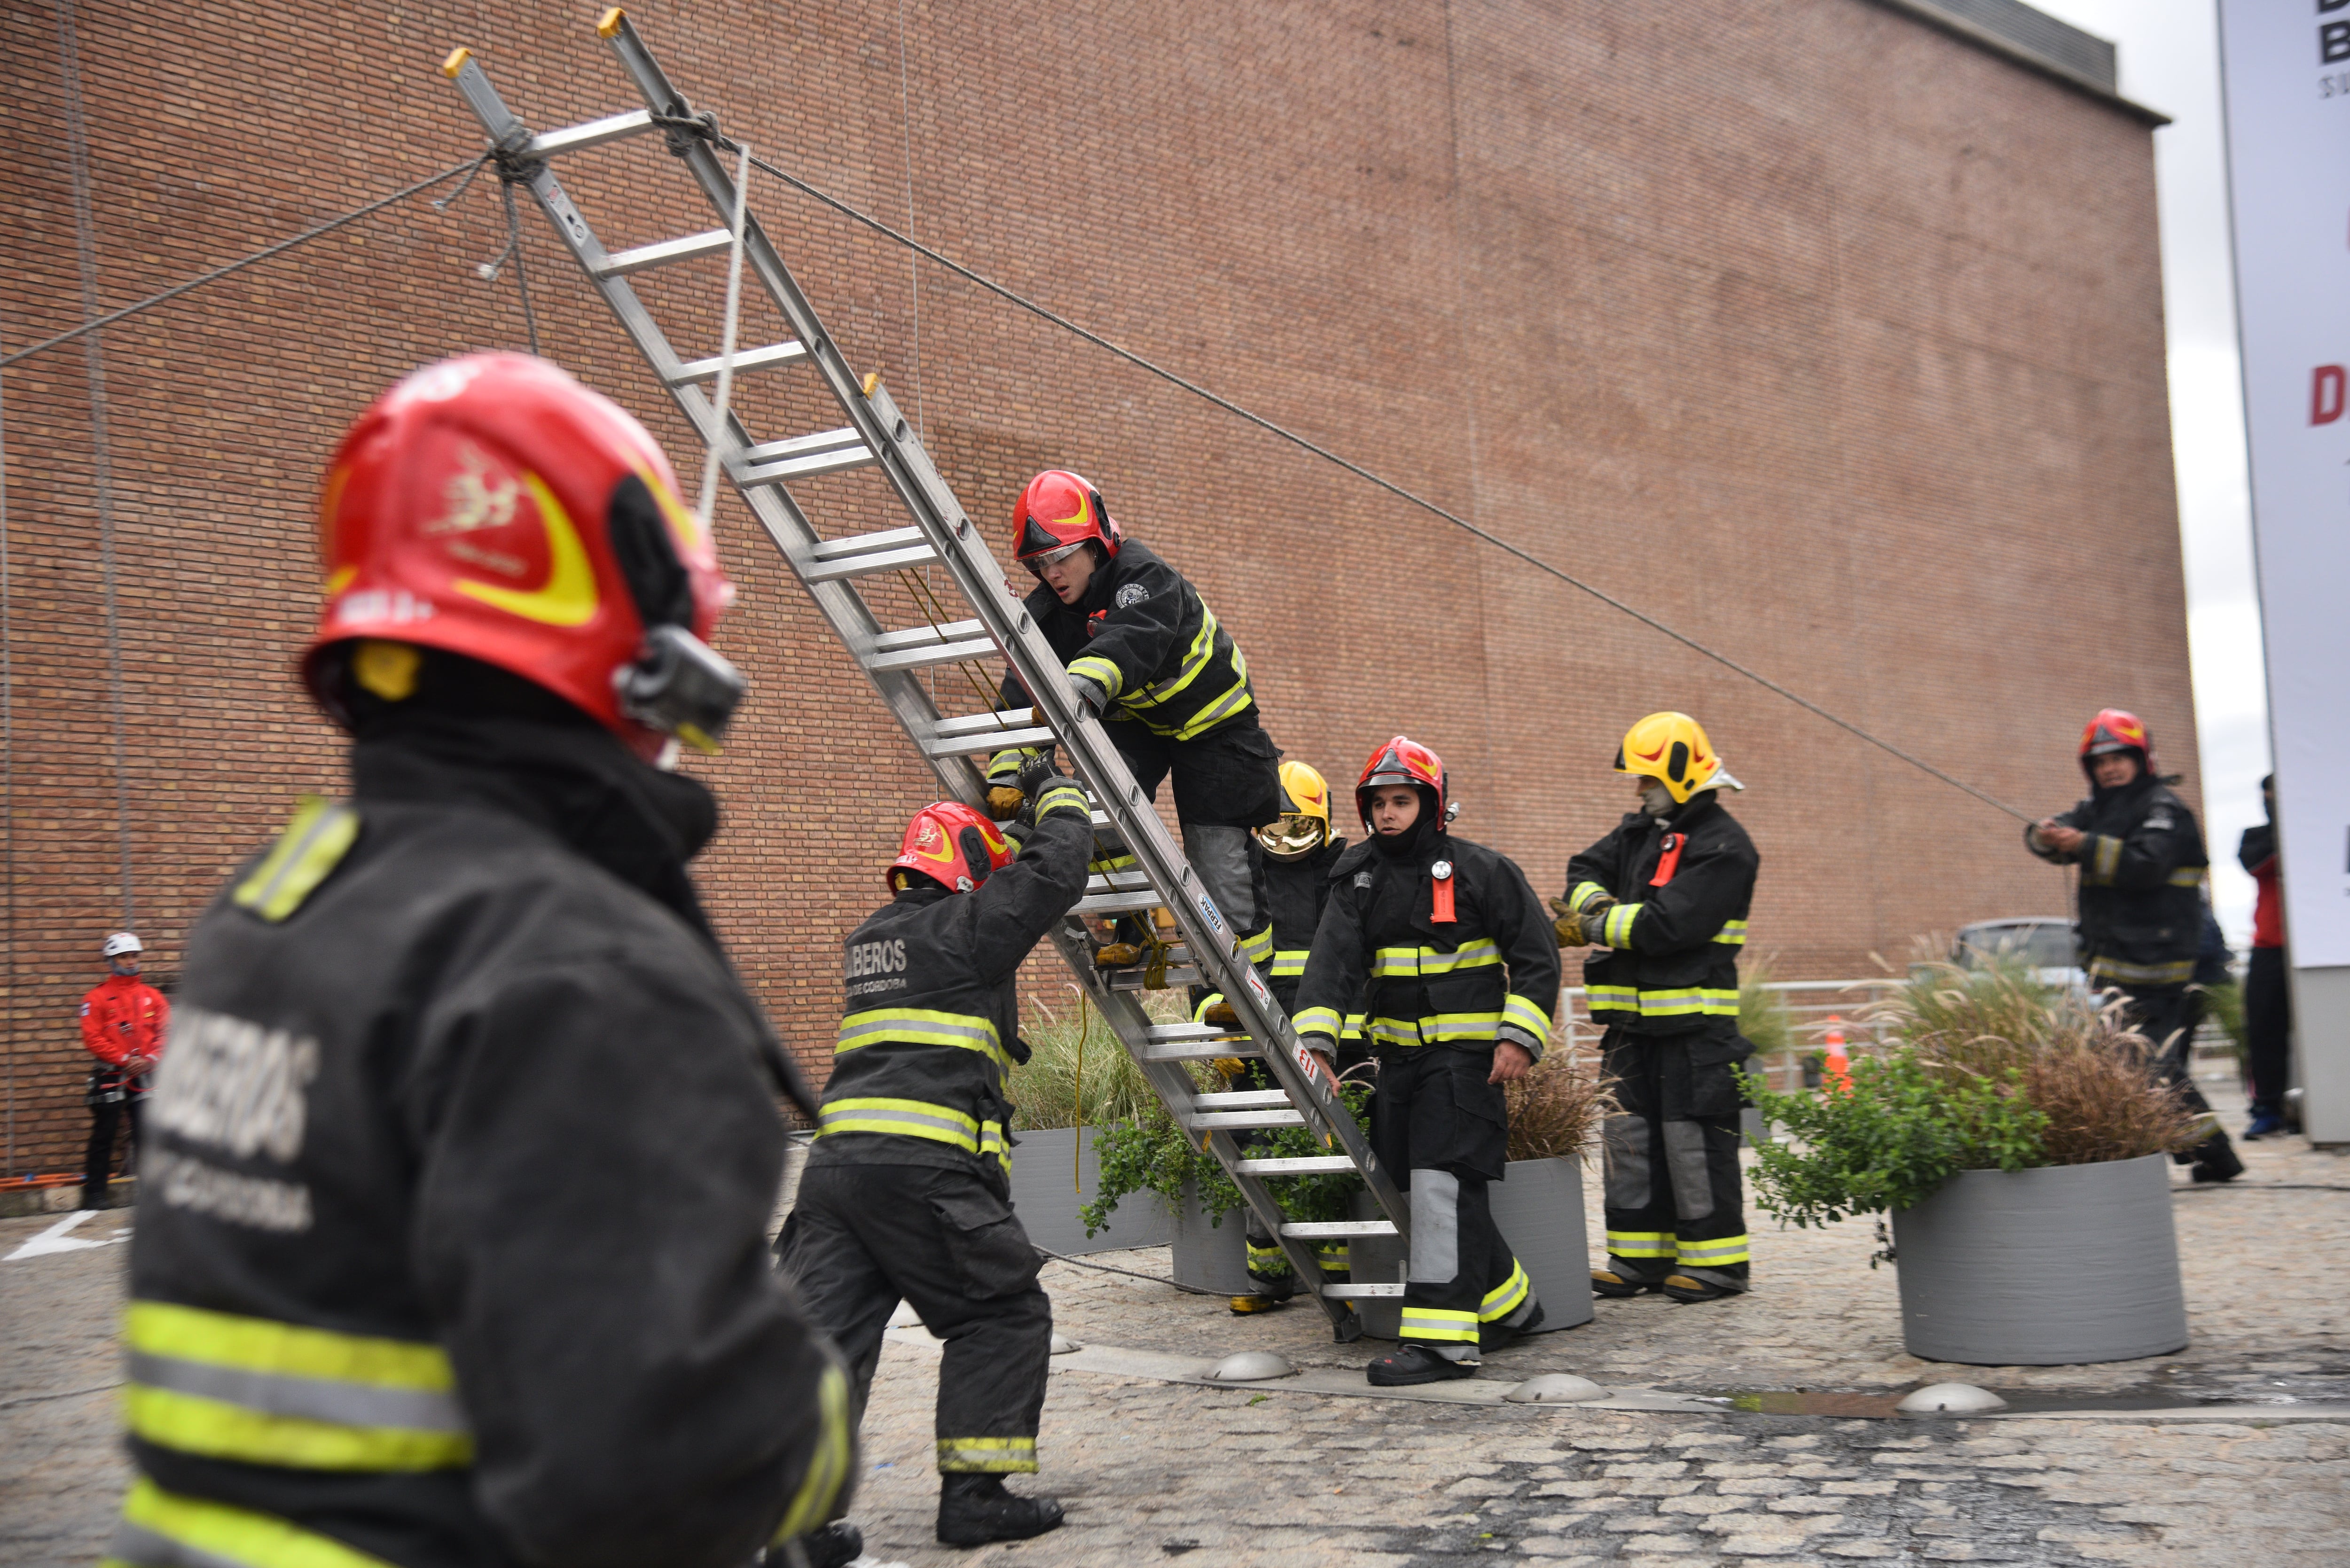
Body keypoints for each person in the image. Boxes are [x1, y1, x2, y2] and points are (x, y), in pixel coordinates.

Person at [109, 354, 856, 1568]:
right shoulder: (581, 974)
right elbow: (671, 1474)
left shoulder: (272, 909)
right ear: (639, 634)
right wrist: (800, 1413)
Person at [776, 760, 1094, 1548]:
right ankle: (976, 1501)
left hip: (833, 1174)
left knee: (824, 1337)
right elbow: (1057, 872)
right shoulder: (966, 929)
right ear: (970, 871)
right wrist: (1056, 795)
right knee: (1001, 1312)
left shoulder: (872, 941)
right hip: (924, 1170)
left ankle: (792, 1522)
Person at [1290, 737, 1556, 1385]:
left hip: (1466, 1067)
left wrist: (1520, 1037)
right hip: (1399, 1066)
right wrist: (1317, 1047)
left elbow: (1537, 956)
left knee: (1442, 1189)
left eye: (1401, 801)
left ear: (1432, 805)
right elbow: (1331, 967)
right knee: (1433, 1190)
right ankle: (1511, 1307)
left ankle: (1442, 1345)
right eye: (1378, 803)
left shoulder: (1484, 871)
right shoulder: (1356, 876)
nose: (1387, 814)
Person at [985, 469, 1282, 979]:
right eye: (1038, 564)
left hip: (1217, 731)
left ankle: (1249, 977)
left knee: (1216, 854)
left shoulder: (1144, 577)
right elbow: (1020, 687)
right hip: (1143, 722)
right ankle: (1132, 930)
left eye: (1060, 556)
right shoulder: (1051, 610)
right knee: (1097, 807)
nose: (1050, 574)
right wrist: (1006, 773)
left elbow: (1131, 639)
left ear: (1097, 543)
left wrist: (1074, 691)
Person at [1559, 712, 1761, 1304]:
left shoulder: (1726, 847)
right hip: (1629, 1030)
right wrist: (1593, 899)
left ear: (1680, 774)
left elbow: (1669, 925)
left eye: (1646, 778)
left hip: (1696, 1034)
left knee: (1691, 1143)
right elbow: (1583, 868)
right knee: (1628, 1140)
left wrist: (1592, 922)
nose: (1638, 789)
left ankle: (1717, 1265)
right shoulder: (1640, 832)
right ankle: (1637, 1259)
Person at [2027, 708, 2243, 1182]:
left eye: (2118, 758)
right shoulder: (2097, 809)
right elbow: (2050, 835)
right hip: (2115, 961)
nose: (2109, 768)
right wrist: (2044, 836)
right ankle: (2209, 1154)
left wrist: (2081, 844)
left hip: (2158, 963)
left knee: (2140, 1060)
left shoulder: (2163, 810)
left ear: (2139, 758)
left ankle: (2212, 1153)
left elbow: (2145, 866)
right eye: (2100, 761)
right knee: (2146, 1060)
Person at [1195, 760, 1357, 1312]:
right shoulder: (1240, 876)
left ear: (1324, 821)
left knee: (1330, 1156)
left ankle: (1339, 1283)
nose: (1287, 838)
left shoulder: (1347, 873)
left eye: (1299, 825)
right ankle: (1268, 1280)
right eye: (1276, 826)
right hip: (1258, 1041)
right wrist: (1215, 1032)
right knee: (1260, 1153)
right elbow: (1210, 966)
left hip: (1335, 1045)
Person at [79, 930, 168, 1210]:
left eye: (133, 956)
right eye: (123, 957)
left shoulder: (152, 997)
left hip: (144, 1075)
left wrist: (152, 1058)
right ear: (111, 960)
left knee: (147, 1136)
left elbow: (166, 1031)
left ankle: (152, 1196)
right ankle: (94, 1195)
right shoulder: (96, 998)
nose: (130, 961)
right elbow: (92, 1037)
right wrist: (122, 1058)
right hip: (111, 1076)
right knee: (104, 1135)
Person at [2239, 773, 2290, 1139]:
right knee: (2264, 1030)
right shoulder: (2257, 837)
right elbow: (2255, 863)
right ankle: (2268, 1107)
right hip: (2270, 947)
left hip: (2322, 947)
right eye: (2269, 792)